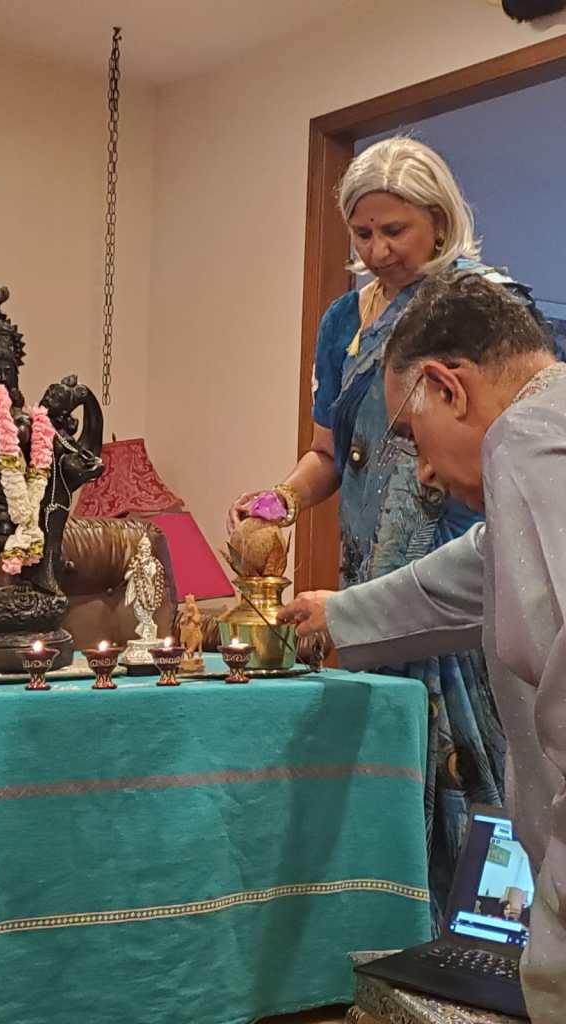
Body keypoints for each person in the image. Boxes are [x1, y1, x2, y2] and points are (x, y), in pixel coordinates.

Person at [228, 136, 535, 923]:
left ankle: (466, 941)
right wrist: (278, 503)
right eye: (362, 233)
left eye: (394, 230)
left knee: (472, 778)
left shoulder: (474, 310)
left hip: (452, 570)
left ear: (440, 221)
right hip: (369, 572)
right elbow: (329, 453)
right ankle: (381, 928)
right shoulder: (344, 320)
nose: (377, 250)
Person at [278, 272, 566, 1022]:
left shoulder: (529, 440)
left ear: (447, 386)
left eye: (410, 436)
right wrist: (339, 616)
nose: (426, 472)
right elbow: (475, 571)